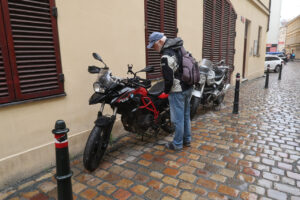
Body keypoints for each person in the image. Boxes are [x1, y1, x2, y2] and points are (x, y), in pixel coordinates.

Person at [147, 32, 193, 151]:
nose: (153, 48)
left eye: (154, 45)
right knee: (186, 116)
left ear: (160, 42)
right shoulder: (178, 47)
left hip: (177, 91)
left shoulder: (166, 56)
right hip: (188, 87)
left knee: (178, 120)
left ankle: (177, 144)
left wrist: (166, 92)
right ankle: (187, 140)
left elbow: (169, 80)